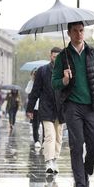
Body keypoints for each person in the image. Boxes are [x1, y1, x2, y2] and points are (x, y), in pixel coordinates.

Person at [51, 21, 94, 187]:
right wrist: (64, 80)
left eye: (81, 31)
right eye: (75, 31)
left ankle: (86, 171)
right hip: (72, 107)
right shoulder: (63, 57)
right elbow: (54, 83)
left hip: (93, 107)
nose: (79, 34)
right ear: (69, 33)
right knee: (76, 146)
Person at [27, 46, 64, 174]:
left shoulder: (67, 71)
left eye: (58, 57)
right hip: (46, 108)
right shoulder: (42, 71)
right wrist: (30, 109)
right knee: (50, 136)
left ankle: (55, 159)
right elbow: (35, 91)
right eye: (54, 56)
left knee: (59, 137)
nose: (56, 59)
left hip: (61, 109)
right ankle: (48, 161)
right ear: (50, 56)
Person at [25, 68, 42, 148]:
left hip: (43, 106)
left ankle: (45, 141)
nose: (35, 76)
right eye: (34, 74)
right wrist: (32, 82)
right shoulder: (31, 82)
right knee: (35, 125)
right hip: (35, 107)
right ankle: (37, 140)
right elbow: (27, 91)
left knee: (45, 125)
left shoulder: (43, 81)